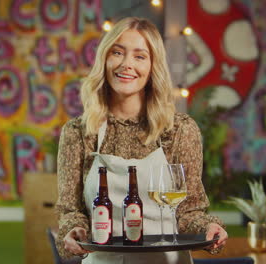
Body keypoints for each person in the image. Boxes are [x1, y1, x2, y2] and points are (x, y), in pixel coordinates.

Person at [55, 17, 228, 264]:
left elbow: (189, 211)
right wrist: (73, 231)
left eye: (139, 56)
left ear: (152, 66)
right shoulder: (77, 132)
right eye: (117, 52)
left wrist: (210, 226)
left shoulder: (179, 130)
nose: (127, 64)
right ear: (104, 59)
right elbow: (70, 211)